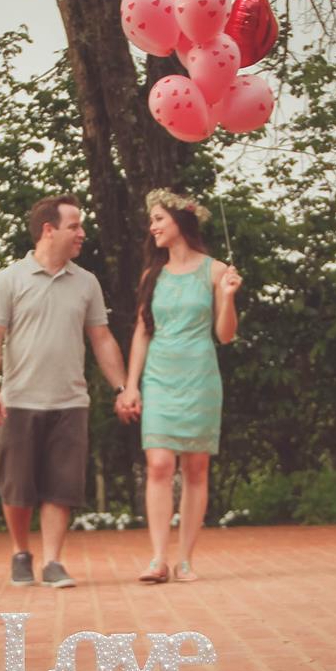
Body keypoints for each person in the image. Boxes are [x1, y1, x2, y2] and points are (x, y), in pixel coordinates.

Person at [0, 194, 133, 588]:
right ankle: (19, 553)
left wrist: (122, 386)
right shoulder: (10, 278)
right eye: (74, 226)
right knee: (16, 487)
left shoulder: (86, 282)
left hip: (70, 402)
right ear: (49, 230)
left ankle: (52, 562)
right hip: (18, 400)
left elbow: (101, 338)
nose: (82, 233)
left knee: (61, 487)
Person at [120, 189, 242, 584]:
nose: (152, 226)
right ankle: (158, 559)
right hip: (159, 376)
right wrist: (131, 385)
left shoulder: (215, 270)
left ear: (180, 221)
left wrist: (227, 297)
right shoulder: (151, 275)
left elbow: (225, 335)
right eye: (151, 221)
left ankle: (185, 560)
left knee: (196, 467)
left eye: (158, 219)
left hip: (200, 374)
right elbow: (142, 331)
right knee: (158, 464)